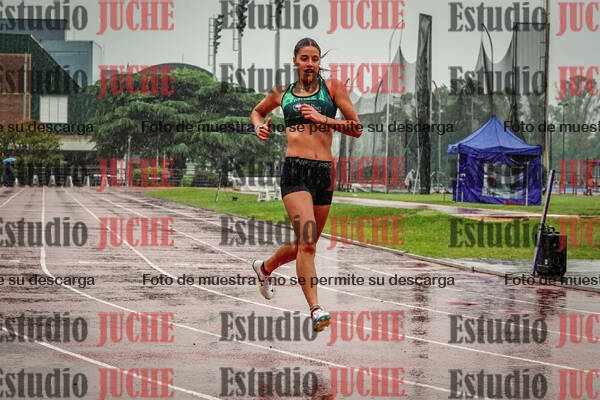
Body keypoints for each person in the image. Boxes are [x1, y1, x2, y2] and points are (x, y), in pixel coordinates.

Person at [250, 38, 362, 332]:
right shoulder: (282, 92)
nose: (310, 63)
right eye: (304, 58)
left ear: (319, 62)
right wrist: (259, 126)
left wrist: (324, 119)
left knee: (304, 244)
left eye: (314, 58)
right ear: (295, 61)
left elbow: (356, 128)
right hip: (295, 172)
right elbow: (258, 111)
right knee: (309, 243)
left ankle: (264, 268)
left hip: (324, 173)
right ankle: (316, 309)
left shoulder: (333, 89)